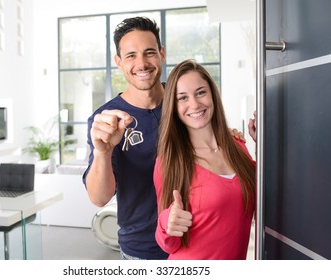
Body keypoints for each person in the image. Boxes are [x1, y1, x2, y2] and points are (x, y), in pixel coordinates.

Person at [83, 17, 247, 260]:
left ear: (161, 53)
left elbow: (214, 143)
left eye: (149, 52)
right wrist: (103, 152)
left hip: (196, 242)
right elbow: (98, 198)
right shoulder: (107, 120)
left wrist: (235, 140)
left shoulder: (183, 101)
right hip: (142, 250)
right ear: (118, 62)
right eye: (130, 56)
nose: (142, 63)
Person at [154, 59, 256, 260]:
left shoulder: (238, 146)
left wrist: (263, 143)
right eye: (182, 98)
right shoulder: (169, 162)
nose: (194, 104)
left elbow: (266, 198)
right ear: (173, 107)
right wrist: (167, 223)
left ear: (212, 95)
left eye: (201, 92)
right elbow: (168, 243)